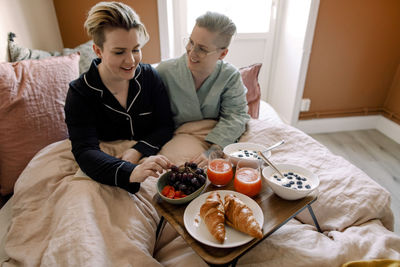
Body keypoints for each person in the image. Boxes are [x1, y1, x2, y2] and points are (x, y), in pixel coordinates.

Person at [64, 1, 174, 194]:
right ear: (98, 50)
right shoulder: (79, 93)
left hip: (147, 155)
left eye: (136, 49)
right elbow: (85, 151)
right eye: (119, 52)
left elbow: (165, 125)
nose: (131, 61)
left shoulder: (148, 76)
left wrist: (137, 150)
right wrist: (131, 171)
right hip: (109, 164)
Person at [156, 11, 251, 167]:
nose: (191, 52)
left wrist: (214, 150)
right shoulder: (164, 72)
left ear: (223, 53)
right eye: (191, 42)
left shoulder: (230, 76)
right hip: (182, 135)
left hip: (220, 134)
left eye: (202, 49)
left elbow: (236, 116)